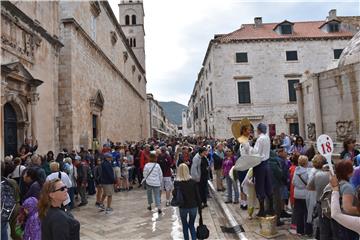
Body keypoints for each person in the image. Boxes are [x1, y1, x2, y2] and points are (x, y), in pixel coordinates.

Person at [244, 123, 274, 217]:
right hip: (267, 163)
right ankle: (271, 208)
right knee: (268, 186)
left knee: (260, 187)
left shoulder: (260, 139)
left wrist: (247, 145)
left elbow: (255, 152)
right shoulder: (267, 137)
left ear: (259, 130)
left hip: (260, 165)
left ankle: (262, 210)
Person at [331, 160, 360, 239]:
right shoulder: (347, 187)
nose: (354, 169)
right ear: (348, 172)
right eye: (352, 168)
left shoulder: (336, 183)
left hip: (340, 222)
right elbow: (347, 208)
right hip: (348, 224)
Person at [173, 163, 201, 240]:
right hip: (193, 206)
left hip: (183, 207)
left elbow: (175, 195)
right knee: (191, 225)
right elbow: (197, 195)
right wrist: (200, 207)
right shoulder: (193, 182)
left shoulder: (177, 183)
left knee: (185, 225)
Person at [307, 155, 331, 239]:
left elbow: (309, 187)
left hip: (320, 202)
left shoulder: (317, 174)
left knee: (323, 228)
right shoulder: (334, 176)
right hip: (332, 203)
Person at [292, 155, 311, 236]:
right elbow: (309, 183)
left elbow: (293, 182)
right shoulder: (307, 172)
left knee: (299, 213)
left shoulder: (296, 170)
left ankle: (300, 230)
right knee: (307, 213)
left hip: (297, 194)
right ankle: (308, 231)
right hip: (305, 194)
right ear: (306, 162)